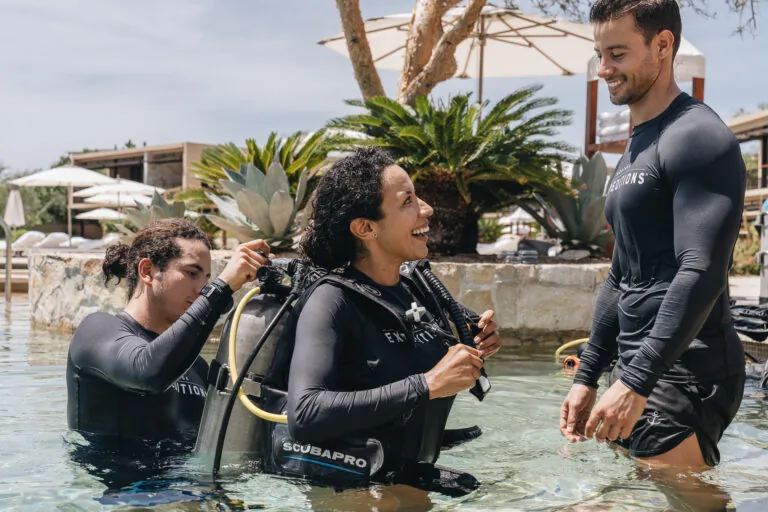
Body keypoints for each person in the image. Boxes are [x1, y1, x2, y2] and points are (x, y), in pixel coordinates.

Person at [559, 0, 746, 508]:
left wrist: (637, 379)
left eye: (617, 53)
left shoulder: (699, 138)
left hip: (688, 368)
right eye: (599, 54)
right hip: (638, 365)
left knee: (688, 500)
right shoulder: (639, 143)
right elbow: (622, 275)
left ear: (663, 46)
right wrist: (588, 376)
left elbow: (701, 269)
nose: (604, 70)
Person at [262, 147, 501, 497]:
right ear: (365, 228)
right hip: (353, 497)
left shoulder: (415, 290)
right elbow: (306, 414)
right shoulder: (331, 300)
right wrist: (428, 383)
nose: (427, 209)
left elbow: (412, 364)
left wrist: (477, 346)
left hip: (405, 483)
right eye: (407, 201)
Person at [66, 218, 271, 455]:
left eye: (206, 279)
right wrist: (222, 287)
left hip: (194, 489)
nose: (201, 288)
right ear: (147, 271)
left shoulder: (195, 367)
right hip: (125, 489)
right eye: (191, 273)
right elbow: (147, 372)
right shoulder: (96, 331)